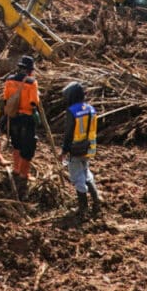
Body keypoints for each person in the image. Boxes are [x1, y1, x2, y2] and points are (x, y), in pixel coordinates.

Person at [60, 81, 100, 219]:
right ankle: (96, 200)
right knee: (86, 172)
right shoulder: (90, 108)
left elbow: (69, 133)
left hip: (76, 148)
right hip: (90, 147)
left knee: (78, 177)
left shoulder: (72, 111)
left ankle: (83, 208)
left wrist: (64, 151)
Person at [4, 55, 42, 190]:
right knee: (27, 146)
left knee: (16, 143)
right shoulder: (32, 82)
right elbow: (34, 102)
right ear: (30, 70)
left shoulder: (9, 80)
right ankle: (24, 174)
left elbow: (6, 98)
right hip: (27, 118)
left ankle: (16, 169)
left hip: (13, 116)